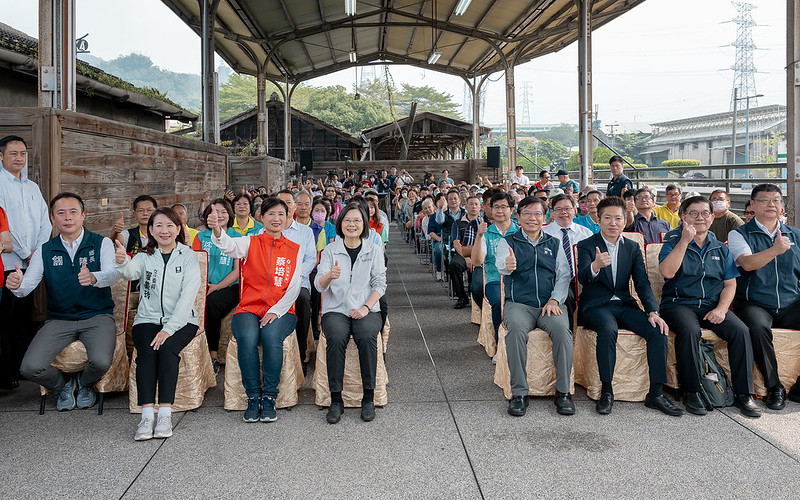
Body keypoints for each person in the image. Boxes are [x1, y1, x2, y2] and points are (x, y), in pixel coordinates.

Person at [7, 193, 116, 411]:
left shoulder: (101, 243)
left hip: (97, 316)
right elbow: (28, 285)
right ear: (52, 219)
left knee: (101, 362)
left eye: (73, 212)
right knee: (30, 367)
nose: (68, 218)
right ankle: (63, 385)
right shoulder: (45, 251)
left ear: (83, 215)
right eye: (61, 213)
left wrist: (95, 278)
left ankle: (85, 384)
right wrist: (17, 285)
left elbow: (112, 275)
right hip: (60, 319)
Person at [577, 196, 683, 417]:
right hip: (596, 306)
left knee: (658, 330)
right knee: (608, 329)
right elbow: (583, 279)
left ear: (625, 219)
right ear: (599, 219)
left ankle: (655, 393)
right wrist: (596, 266)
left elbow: (642, 282)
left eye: (618, 218)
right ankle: (607, 390)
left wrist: (653, 311)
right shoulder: (587, 245)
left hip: (624, 303)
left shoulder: (633, 247)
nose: (613, 223)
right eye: (608, 218)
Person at [658, 195, 760, 417]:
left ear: (712, 218)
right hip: (678, 303)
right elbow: (667, 272)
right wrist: (685, 241)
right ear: (683, 217)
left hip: (712, 305)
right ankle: (692, 391)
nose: (699, 218)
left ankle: (744, 394)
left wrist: (722, 309)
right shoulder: (673, 242)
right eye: (693, 213)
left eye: (705, 213)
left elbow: (730, 283)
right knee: (689, 330)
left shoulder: (720, 249)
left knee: (741, 331)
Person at [209, 197, 301, 423]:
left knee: (270, 336)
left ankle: (269, 396)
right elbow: (228, 246)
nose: (276, 219)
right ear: (261, 217)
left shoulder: (294, 249)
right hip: (249, 307)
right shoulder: (249, 242)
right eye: (271, 214)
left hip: (281, 310)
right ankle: (253, 396)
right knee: (248, 338)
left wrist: (276, 311)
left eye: (281, 214)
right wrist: (218, 230)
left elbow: (295, 286)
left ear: (288, 217)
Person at [115, 207, 201, 441]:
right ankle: (146, 415)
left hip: (183, 320)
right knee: (146, 352)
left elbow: (187, 297)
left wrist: (168, 329)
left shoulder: (188, 256)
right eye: (159, 226)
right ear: (151, 230)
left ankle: (164, 413)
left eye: (170, 225)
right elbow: (130, 273)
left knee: (167, 350)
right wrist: (122, 261)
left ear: (179, 229)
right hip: (147, 319)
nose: (164, 230)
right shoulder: (145, 255)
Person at [496, 196, 574, 417]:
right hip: (519, 304)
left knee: (562, 331)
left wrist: (555, 299)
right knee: (516, 332)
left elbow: (564, 275)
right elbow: (502, 264)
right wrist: (507, 265)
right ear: (518, 217)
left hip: (549, 304)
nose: (532, 218)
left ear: (545, 217)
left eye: (538, 213)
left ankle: (564, 392)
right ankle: (519, 394)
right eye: (527, 213)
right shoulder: (508, 242)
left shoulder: (554, 243)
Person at [728, 184, 800, 409]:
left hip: (790, 302)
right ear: (752, 204)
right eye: (764, 200)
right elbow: (747, 264)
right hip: (755, 303)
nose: (771, 204)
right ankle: (774, 386)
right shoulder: (739, 233)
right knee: (758, 329)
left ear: (782, 206)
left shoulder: (796, 235)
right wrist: (775, 250)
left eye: (776, 200)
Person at [315, 204, 387, 424]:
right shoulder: (330, 250)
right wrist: (329, 276)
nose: (352, 224)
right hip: (336, 309)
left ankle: (368, 396)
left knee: (366, 336)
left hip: (366, 308)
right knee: (336, 338)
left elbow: (380, 284)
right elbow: (319, 286)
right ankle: (336, 399)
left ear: (364, 223)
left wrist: (366, 307)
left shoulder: (373, 249)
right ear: (340, 224)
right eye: (347, 220)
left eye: (357, 220)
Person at [0, 135, 52, 389]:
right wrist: (23, 250)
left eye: (22, 153)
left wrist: (37, 251)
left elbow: (45, 220)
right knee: (6, 318)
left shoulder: (32, 186)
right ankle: (5, 373)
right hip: (8, 260)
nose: (19, 158)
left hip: (32, 261)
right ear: (1, 156)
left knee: (24, 316)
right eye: (13, 153)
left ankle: (21, 368)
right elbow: (3, 224)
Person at [192, 199, 240, 370]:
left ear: (229, 215)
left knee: (211, 304)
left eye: (223, 212)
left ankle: (213, 355)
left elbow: (237, 271)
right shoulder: (201, 236)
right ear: (207, 216)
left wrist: (217, 286)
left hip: (230, 286)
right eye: (215, 212)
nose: (219, 215)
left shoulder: (237, 237)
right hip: (202, 283)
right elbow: (194, 262)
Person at [275, 190, 317, 372]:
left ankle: (300, 354)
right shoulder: (264, 231)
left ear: (294, 206)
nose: (284, 207)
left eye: (288, 203)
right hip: (272, 284)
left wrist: (293, 278)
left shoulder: (305, 232)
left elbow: (310, 259)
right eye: (280, 203)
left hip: (297, 282)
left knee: (302, 299)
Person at [472, 192, 520, 346]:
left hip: (520, 279)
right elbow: (477, 261)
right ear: (490, 210)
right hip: (496, 280)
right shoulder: (486, 233)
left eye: (504, 207)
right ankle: (502, 346)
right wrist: (479, 236)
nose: (500, 211)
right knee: (500, 302)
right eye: (496, 207)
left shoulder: (520, 231)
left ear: (511, 210)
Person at [542, 193, 592, 330]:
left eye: (568, 208)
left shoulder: (586, 234)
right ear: (552, 212)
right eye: (558, 209)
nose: (563, 212)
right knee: (568, 295)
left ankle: (586, 335)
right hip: (555, 279)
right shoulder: (543, 233)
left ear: (574, 210)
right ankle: (570, 334)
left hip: (582, 278)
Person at [450, 195, 482, 309]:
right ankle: (462, 297)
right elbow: (456, 242)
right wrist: (466, 257)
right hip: (463, 253)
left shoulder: (483, 223)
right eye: (471, 204)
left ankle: (476, 295)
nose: (474, 206)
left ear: (480, 207)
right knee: (455, 265)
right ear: (466, 207)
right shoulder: (458, 223)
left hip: (481, 253)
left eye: (476, 204)